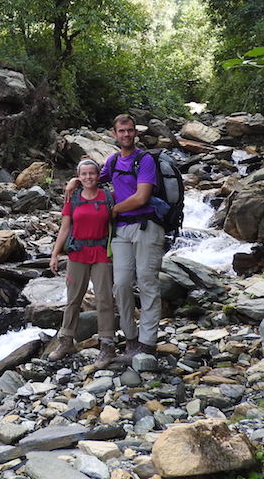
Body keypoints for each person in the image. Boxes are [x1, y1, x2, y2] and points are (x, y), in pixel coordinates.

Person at [67, 114, 163, 362]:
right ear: (114, 134)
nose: (126, 135)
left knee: (147, 282)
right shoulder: (112, 161)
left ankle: (148, 343)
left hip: (146, 226)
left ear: (135, 133)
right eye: (122, 131)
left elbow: (141, 197)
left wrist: (114, 210)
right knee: (120, 284)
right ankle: (131, 339)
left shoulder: (145, 161)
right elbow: (94, 179)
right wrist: (74, 182)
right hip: (120, 231)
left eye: (130, 130)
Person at [47, 158, 116, 370]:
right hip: (77, 253)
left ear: (98, 175)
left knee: (104, 299)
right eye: (83, 174)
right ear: (79, 176)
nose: (88, 177)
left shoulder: (108, 197)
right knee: (73, 299)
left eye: (92, 173)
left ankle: (107, 345)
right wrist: (55, 253)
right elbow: (65, 228)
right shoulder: (73, 197)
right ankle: (66, 341)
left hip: (102, 253)